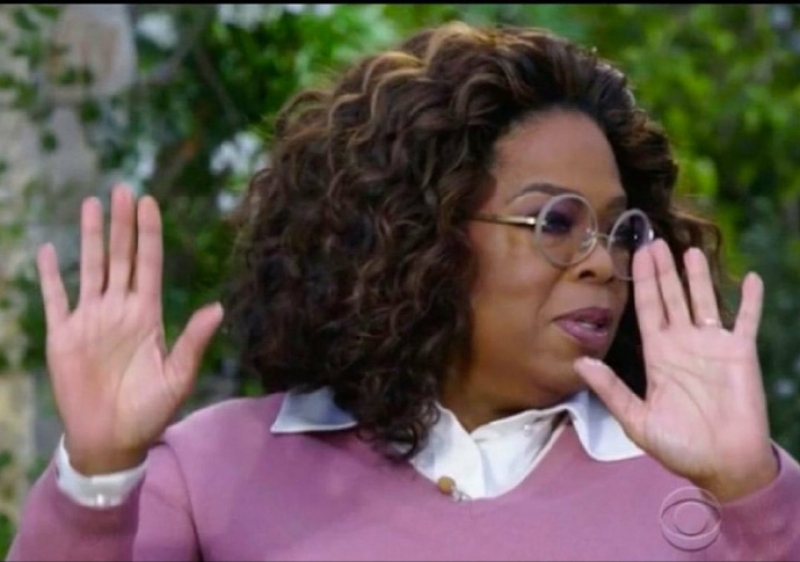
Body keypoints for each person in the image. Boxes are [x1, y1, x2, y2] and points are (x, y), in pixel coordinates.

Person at [8, 21, 800, 561]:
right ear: (421, 234)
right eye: (557, 221)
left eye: (620, 230)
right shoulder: (213, 472)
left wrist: (753, 499)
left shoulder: (709, 480)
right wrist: (97, 475)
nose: (602, 262)